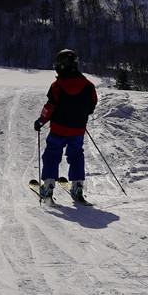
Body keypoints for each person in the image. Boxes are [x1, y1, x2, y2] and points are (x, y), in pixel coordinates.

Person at [33, 49, 98, 203]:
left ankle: (48, 186)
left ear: (61, 66)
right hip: (78, 130)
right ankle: (77, 186)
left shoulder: (57, 85)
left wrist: (40, 122)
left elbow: (49, 107)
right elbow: (92, 105)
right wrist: (79, 115)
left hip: (58, 129)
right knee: (76, 155)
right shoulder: (89, 86)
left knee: (52, 154)